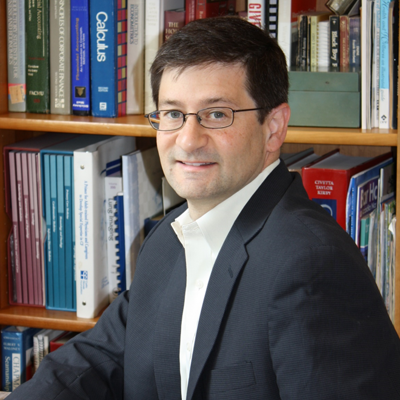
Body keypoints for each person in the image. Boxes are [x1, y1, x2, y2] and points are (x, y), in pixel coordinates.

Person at [8, 16, 400, 400]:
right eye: (173, 114)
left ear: (274, 127)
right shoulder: (170, 237)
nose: (189, 140)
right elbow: (101, 356)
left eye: (216, 114)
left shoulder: (312, 264)